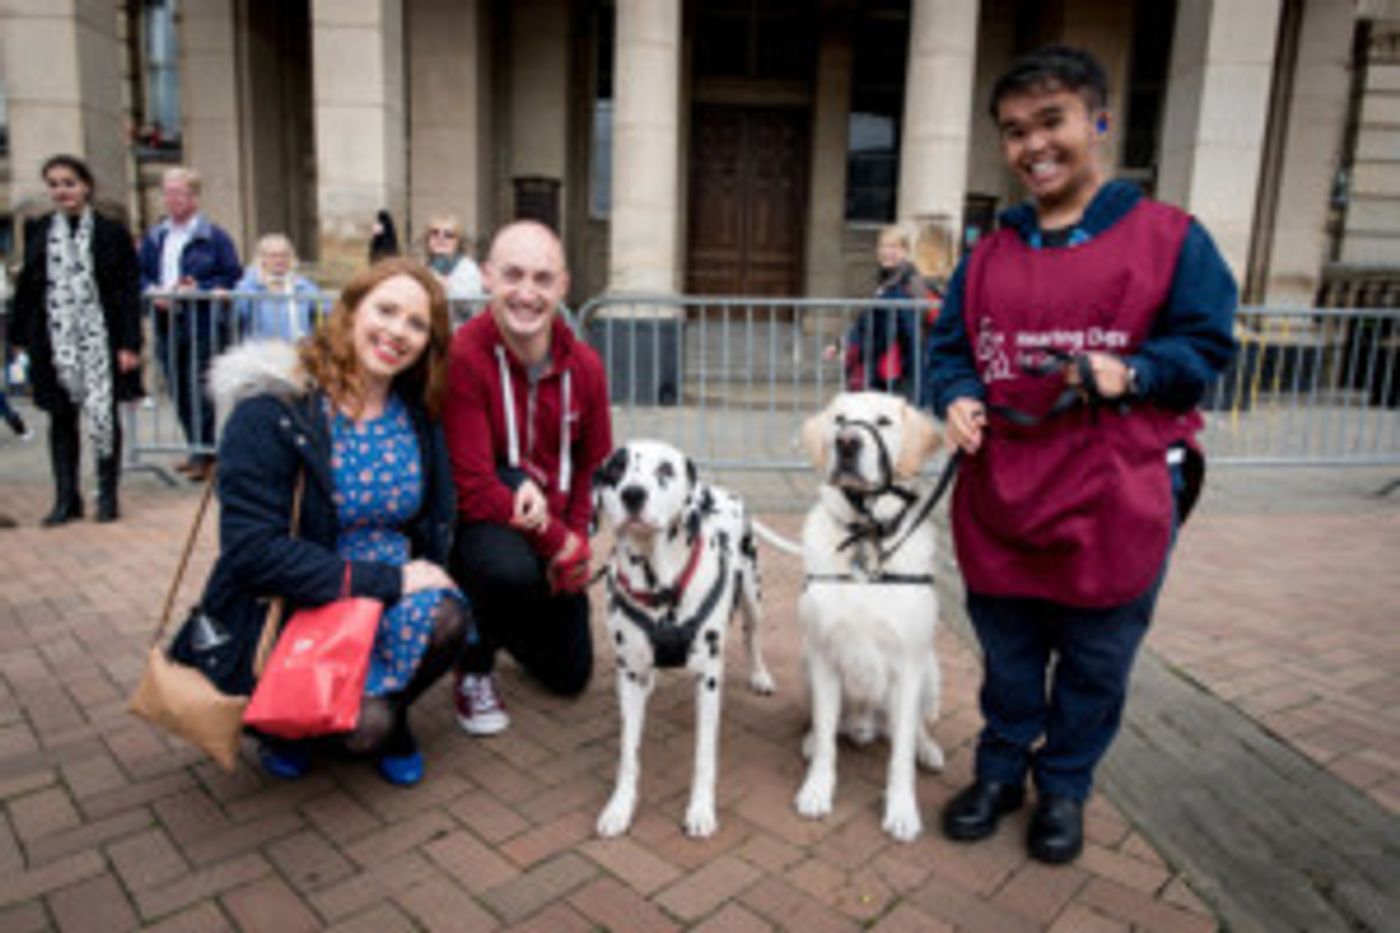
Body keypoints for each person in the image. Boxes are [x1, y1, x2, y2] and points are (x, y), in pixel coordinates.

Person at [925, 46, 1238, 865]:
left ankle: (1064, 786)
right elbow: (950, 350)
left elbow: (1207, 346)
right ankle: (999, 773)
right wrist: (955, 394)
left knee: (1096, 662)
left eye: (1052, 120)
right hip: (1004, 494)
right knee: (1009, 656)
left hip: (1116, 496)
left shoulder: (1171, 238)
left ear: (1098, 120)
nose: (1034, 145)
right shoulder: (987, 255)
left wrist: (1133, 370)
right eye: (1015, 130)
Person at [201, 257, 469, 785]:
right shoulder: (277, 408)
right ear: (349, 310)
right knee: (362, 733)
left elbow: (438, 509)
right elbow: (252, 551)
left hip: (389, 591)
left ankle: (379, 706)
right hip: (304, 595)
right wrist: (386, 581)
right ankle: (290, 725)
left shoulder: (416, 412)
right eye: (386, 310)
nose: (397, 331)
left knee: (448, 617)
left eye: (417, 324)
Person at [443, 220, 612, 735]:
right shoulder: (464, 356)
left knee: (570, 675)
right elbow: (472, 488)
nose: (527, 293)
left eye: (542, 278)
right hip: (485, 527)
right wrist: (556, 539)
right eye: (513, 275)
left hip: (550, 530)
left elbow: (592, 465)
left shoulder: (585, 365)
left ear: (563, 286)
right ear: (488, 277)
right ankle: (473, 662)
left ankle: (503, 619)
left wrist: (577, 541)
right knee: (505, 570)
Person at [11, 154, 143, 525]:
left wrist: (130, 344)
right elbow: (29, 287)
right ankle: (66, 498)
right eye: (53, 184)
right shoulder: (37, 229)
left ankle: (107, 494)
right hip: (54, 339)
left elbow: (127, 291)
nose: (61, 191)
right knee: (61, 419)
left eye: (68, 183)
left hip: (101, 339)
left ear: (85, 186)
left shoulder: (110, 233)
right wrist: (18, 336)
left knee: (103, 416)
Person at [138, 166, 242, 481]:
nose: (171, 199)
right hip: (166, 318)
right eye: (167, 193)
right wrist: (152, 291)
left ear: (194, 197)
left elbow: (232, 275)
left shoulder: (214, 237)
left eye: (179, 193)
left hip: (202, 320)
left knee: (199, 387)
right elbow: (141, 273)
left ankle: (206, 452)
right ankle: (196, 447)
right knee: (176, 385)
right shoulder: (155, 237)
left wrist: (199, 287)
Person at [831, 226, 926, 399]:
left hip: (894, 373)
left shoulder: (907, 284)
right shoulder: (886, 281)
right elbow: (866, 321)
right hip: (880, 365)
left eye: (894, 247)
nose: (886, 252)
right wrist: (841, 343)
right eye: (883, 246)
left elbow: (911, 335)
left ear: (905, 251)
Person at [233, 233, 320, 341]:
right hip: (261, 352)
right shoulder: (248, 285)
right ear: (262, 258)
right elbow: (236, 315)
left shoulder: (304, 286)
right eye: (273, 256)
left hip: (298, 350)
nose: (279, 260)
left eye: (284, 255)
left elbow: (324, 310)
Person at [422, 214, 485, 314]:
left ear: (458, 242)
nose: (440, 238)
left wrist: (447, 287)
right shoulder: (425, 268)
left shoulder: (468, 268)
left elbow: (472, 309)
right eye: (434, 233)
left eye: (449, 235)